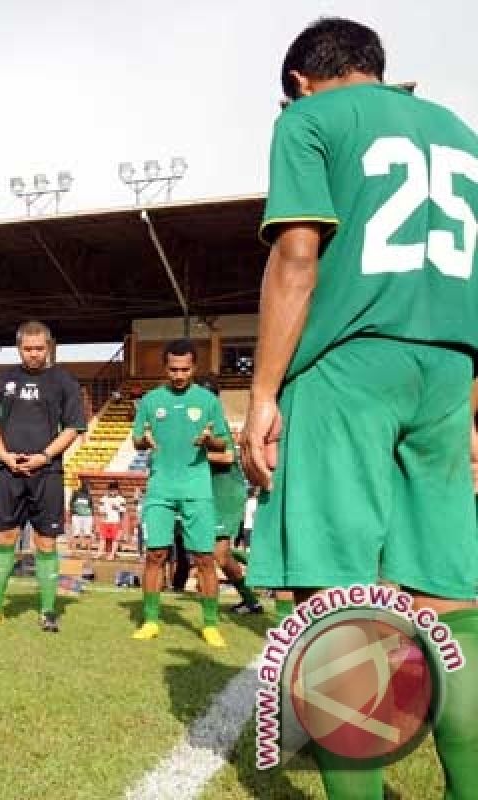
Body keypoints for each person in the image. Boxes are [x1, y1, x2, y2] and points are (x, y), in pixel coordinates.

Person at [240, 18, 478, 798]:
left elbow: (298, 257)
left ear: (300, 82)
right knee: (451, 600)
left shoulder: (308, 120)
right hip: (447, 370)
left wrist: (265, 391)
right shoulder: (460, 134)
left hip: (347, 367)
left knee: (336, 602)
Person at [0, 320, 85, 633]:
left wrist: (44, 456)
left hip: (47, 472)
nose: (34, 354)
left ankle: (48, 611)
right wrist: (5, 455)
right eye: (28, 348)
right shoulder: (2, 380)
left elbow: (74, 427)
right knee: (4, 537)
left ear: (48, 347)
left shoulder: (64, 381)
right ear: (19, 348)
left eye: (39, 348)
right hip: (8, 470)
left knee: (46, 542)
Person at [130, 338, 230, 648]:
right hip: (160, 487)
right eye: (173, 369)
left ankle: (210, 625)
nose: (179, 375)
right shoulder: (150, 401)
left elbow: (223, 443)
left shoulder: (208, 401)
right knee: (155, 555)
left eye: (185, 369)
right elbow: (137, 439)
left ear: (194, 368)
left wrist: (210, 440)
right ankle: (150, 620)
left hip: (196, 489)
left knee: (204, 558)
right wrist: (144, 441)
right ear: (165, 368)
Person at [199, 381, 263, 614]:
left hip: (225, 493)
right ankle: (249, 594)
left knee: (219, 553)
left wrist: (196, 458)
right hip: (212, 493)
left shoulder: (216, 422)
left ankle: (251, 596)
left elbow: (226, 457)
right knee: (210, 549)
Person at [96, 481, 126, 561]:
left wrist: (117, 507)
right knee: (103, 538)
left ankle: (112, 554)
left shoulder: (121, 499)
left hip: (115, 522)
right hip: (105, 522)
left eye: (114, 490)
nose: (112, 492)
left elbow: (123, 510)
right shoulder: (104, 498)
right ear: (108, 490)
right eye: (111, 490)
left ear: (117, 490)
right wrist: (102, 513)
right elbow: (100, 509)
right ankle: (100, 552)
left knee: (115, 539)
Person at [68, 479, 94, 557]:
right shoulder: (76, 493)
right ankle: (74, 551)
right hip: (77, 516)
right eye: (88, 486)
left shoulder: (89, 495)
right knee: (76, 533)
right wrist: (72, 514)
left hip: (87, 516)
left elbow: (91, 506)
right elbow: (71, 504)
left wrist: (92, 515)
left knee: (88, 534)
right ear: (84, 486)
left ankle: (88, 552)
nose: (89, 488)